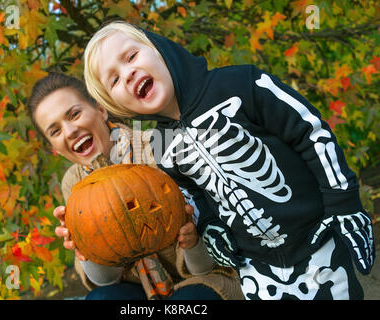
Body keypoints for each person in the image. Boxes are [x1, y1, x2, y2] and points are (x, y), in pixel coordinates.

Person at [83, 21, 375, 300]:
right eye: (115, 80)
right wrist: (211, 228)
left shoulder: (239, 84)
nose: (129, 73)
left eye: (132, 56)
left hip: (317, 242)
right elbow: (195, 195)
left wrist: (343, 203)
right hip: (257, 269)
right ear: (118, 105)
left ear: (160, 49)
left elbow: (310, 132)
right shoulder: (162, 145)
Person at [27, 72, 243, 300]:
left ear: (101, 110)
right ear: (56, 149)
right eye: (55, 131)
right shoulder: (74, 182)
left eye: (74, 114)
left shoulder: (158, 147)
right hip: (140, 291)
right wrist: (85, 249)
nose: (70, 131)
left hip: (203, 278)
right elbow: (106, 281)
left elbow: (206, 266)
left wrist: (193, 242)